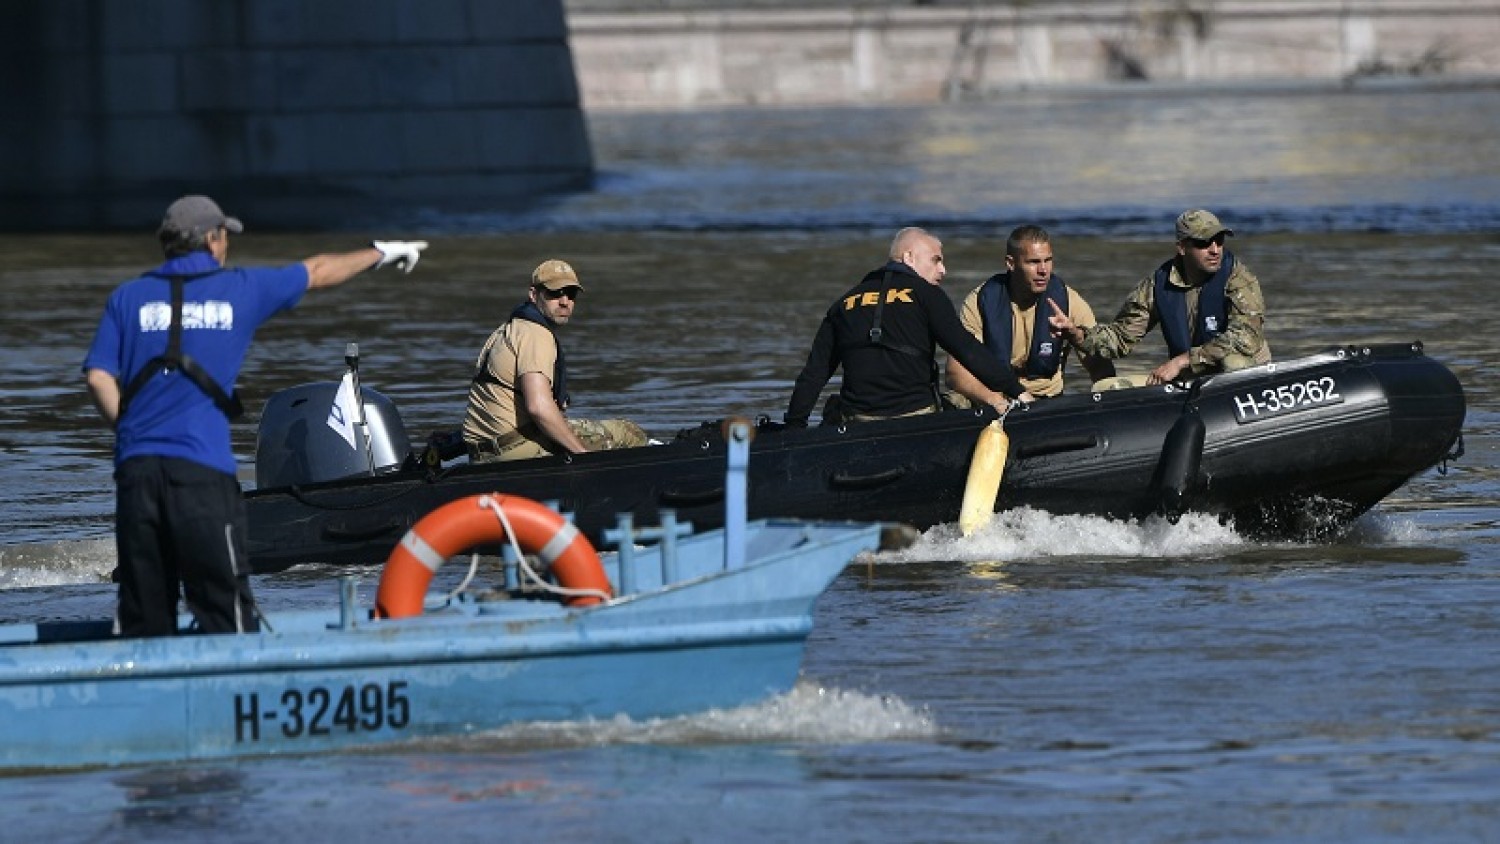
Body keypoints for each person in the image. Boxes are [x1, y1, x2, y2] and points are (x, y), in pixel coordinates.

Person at [82, 194, 428, 637]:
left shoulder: (126, 299)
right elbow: (319, 271)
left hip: (137, 473)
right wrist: (381, 252)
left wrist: (129, 433)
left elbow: (97, 377)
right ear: (211, 240)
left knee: (144, 613)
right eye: (224, 235)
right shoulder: (238, 289)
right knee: (222, 607)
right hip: (201, 475)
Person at [785, 227, 1033, 427]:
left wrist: (793, 428)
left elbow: (813, 375)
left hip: (857, 422)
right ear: (908, 258)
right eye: (936, 260)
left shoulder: (843, 303)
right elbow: (967, 350)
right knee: (964, 400)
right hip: (917, 419)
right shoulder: (927, 295)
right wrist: (1017, 392)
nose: (943, 270)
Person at [1049, 209, 1271, 386]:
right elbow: (1119, 339)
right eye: (1204, 243)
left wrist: (1182, 361)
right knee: (1111, 386)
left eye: (1219, 241)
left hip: (1242, 372)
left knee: (1234, 362)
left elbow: (1245, 338)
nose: (1215, 250)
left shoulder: (1239, 278)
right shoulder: (1157, 287)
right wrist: (1076, 334)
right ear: (1182, 248)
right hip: (1194, 378)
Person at [462, 259, 648, 462]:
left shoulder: (506, 330)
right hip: (515, 451)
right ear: (534, 295)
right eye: (554, 293)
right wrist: (583, 457)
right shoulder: (535, 334)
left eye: (571, 294)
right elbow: (539, 407)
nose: (564, 301)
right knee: (629, 432)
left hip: (482, 452)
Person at [946, 224, 1116, 406]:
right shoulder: (979, 302)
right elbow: (955, 372)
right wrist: (996, 401)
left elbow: (1100, 366)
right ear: (1011, 263)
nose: (1043, 270)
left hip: (1047, 402)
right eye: (1033, 262)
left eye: (1048, 260)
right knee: (955, 400)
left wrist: (1075, 335)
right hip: (997, 400)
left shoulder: (1069, 301)